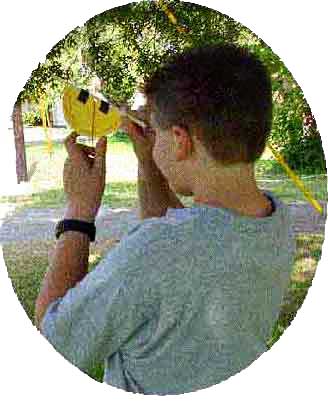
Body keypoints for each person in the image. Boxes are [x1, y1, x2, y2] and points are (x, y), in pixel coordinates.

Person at [35, 45, 296, 395]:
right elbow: (188, 243)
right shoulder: (276, 221)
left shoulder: (156, 250)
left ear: (180, 141)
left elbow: (56, 341)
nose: (149, 139)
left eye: (154, 131)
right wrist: (150, 164)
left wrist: (79, 211)